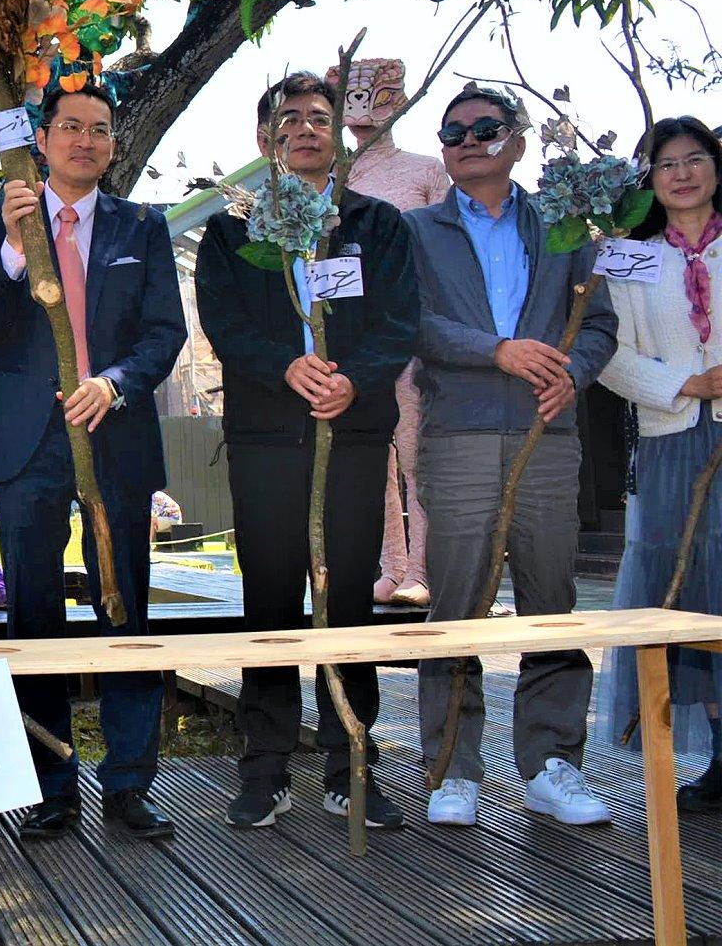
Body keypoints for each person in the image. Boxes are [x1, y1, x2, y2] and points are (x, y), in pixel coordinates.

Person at [0, 82, 187, 840]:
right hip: (24, 439)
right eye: (70, 127)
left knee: (124, 604)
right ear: (43, 139)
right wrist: (12, 249)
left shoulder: (142, 226)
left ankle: (129, 782)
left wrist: (113, 384)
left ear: (113, 145)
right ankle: (49, 781)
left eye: (99, 129)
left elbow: (164, 331)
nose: (84, 140)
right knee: (32, 608)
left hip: (114, 431)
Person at [194, 73, 418, 832]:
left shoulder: (376, 224)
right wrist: (284, 366)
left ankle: (351, 761)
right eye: (288, 119)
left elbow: (400, 320)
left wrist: (354, 380)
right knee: (269, 599)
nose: (305, 129)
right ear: (265, 140)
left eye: (320, 117)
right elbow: (224, 321)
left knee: (348, 596)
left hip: (351, 436)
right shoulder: (234, 229)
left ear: (337, 132)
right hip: (266, 438)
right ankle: (264, 766)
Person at [407, 84, 618, 827]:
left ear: (518, 142)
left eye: (485, 127)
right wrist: (495, 350)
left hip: (548, 437)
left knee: (551, 601)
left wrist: (572, 374)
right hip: (457, 436)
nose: (467, 140)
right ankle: (451, 768)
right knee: (456, 603)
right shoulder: (416, 230)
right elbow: (409, 321)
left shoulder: (564, 227)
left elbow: (599, 324)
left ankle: (554, 765)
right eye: (453, 131)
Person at [594, 118, 722, 808]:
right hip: (674, 441)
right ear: (649, 181)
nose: (682, 174)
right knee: (687, 586)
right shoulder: (630, 258)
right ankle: (716, 756)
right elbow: (607, 352)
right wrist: (686, 383)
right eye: (666, 164)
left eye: (693, 159)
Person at [329, 57, 452, 607]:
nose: (361, 112)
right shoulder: (335, 177)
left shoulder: (426, 170)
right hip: (354, 339)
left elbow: (444, 250)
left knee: (417, 452)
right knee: (369, 458)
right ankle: (391, 564)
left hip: (413, 330)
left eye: (374, 97)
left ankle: (423, 567)